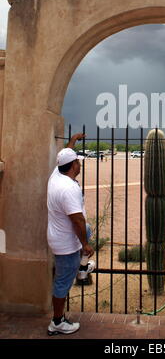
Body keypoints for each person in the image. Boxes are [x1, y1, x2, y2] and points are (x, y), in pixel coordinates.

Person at [47, 133, 95, 336]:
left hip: (60, 235)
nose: (80, 164)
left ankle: (82, 266)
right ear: (74, 166)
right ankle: (57, 322)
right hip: (66, 242)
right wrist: (85, 244)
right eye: (78, 161)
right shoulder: (67, 189)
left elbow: (64, 155)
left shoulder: (56, 174)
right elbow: (77, 221)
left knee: (89, 228)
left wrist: (73, 141)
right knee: (62, 283)